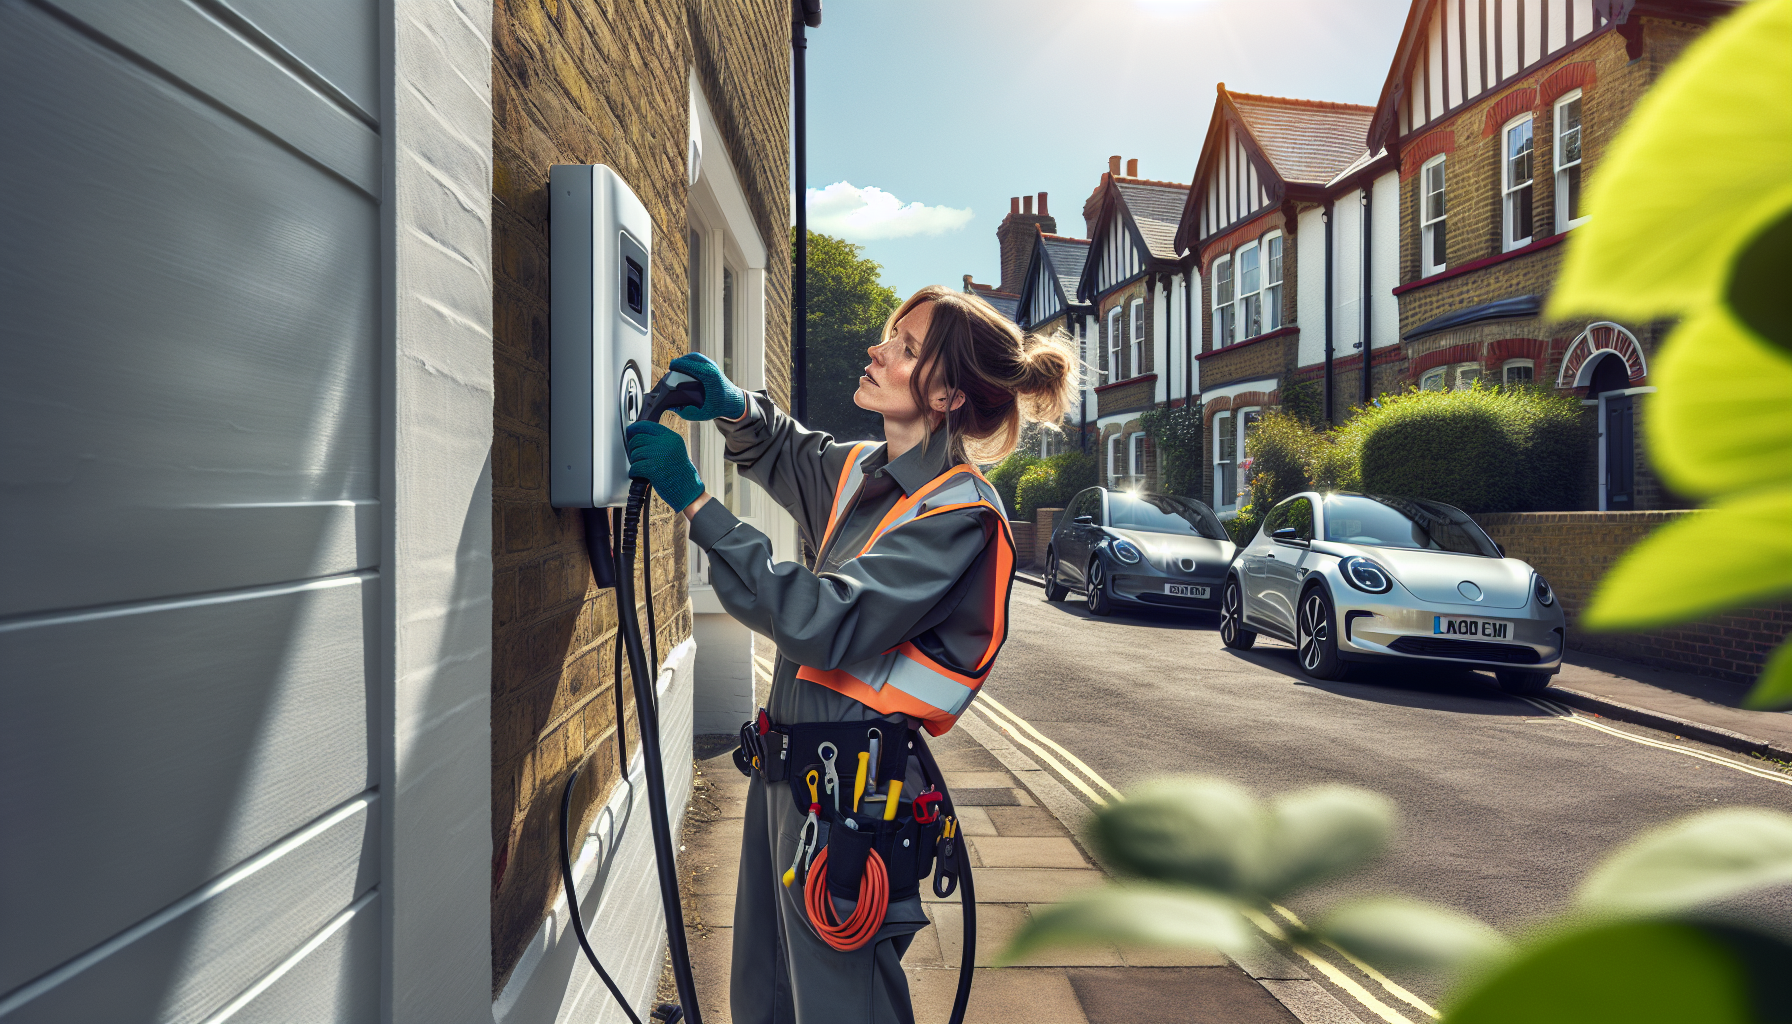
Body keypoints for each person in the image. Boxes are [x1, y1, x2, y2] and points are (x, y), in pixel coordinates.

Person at [624, 284, 1077, 1024]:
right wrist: (736, 406)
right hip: (787, 775)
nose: (878, 349)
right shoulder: (869, 473)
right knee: (765, 994)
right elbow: (791, 454)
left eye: (906, 348)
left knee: (840, 1006)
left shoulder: (958, 516)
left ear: (948, 396)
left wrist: (698, 506)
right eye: (891, 334)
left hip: (849, 798)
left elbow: (821, 621)